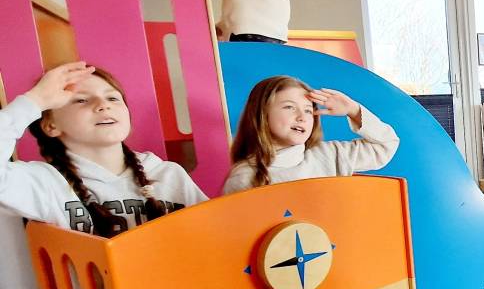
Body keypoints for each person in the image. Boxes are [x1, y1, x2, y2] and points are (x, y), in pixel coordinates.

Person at [0, 62, 207, 236]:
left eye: (113, 98)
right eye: (81, 100)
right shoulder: (44, 183)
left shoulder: (169, 174)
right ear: (50, 125)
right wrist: (34, 101)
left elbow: (214, 236)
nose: (103, 105)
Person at [222, 75, 399, 194]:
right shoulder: (245, 177)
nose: (301, 117)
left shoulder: (329, 154)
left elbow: (386, 144)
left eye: (308, 110)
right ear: (262, 114)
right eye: (289, 107)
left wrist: (353, 109)